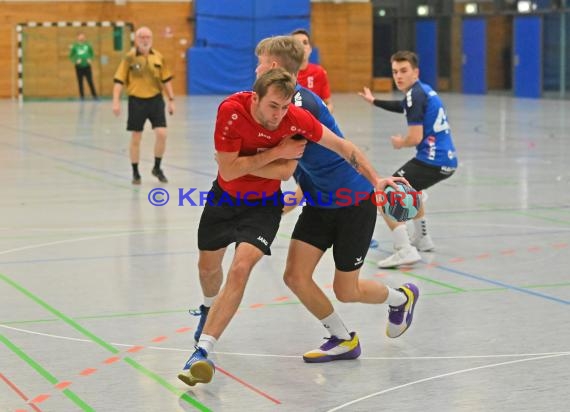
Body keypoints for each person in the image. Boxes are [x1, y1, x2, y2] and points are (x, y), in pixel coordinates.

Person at [178, 67, 403, 387]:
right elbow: (228, 171)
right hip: (224, 200)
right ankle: (208, 307)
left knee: (241, 269)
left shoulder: (295, 119)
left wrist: (376, 179)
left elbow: (340, 149)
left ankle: (202, 353)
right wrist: (276, 153)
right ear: (256, 97)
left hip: (265, 207)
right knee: (207, 268)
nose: (278, 115)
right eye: (273, 107)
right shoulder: (231, 110)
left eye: (284, 107)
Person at [358, 50, 458, 268]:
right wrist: (374, 101)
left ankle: (404, 249)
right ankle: (422, 238)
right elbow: (402, 106)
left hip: (432, 161)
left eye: (404, 71)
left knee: (385, 191)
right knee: (413, 190)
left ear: (416, 72)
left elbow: (415, 137)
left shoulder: (415, 95)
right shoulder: (424, 91)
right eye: (395, 72)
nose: (399, 76)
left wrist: (400, 142)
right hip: (446, 162)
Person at [112, 26, 175, 185]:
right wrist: (116, 101)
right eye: (142, 37)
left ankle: (157, 167)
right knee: (136, 137)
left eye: (147, 37)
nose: (145, 40)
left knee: (162, 134)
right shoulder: (129, 58)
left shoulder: (158, 57)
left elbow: (166, 79)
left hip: (155, 100)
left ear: (151, 39)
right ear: (136, 39)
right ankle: (135, 172)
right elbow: (119, 81)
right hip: (136, 101)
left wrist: (171, 100)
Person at [291, 29, 333, 112]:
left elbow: (328, 103)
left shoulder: (319, 72)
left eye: (305, 43)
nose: (301, 46)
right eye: (297, 43)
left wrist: (324, 116)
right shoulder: (284, 74)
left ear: (310, 49)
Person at [69, 32, 98, 100]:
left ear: (84, 37)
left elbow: (92, 53)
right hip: (79, 67)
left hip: (87, 66)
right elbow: (71, 56)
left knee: (90, 81)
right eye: (80, 36)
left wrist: (90, 59)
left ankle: (95, 96)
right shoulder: (75, 46)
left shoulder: (88, 45)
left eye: (83, 36)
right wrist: (76, 61)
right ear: (77, 37)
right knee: (80, 82)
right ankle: (82, 97)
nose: (82, 38)